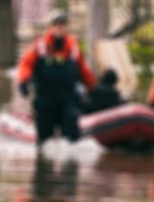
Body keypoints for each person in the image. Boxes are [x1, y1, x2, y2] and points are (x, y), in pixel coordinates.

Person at [16, 10, 96, 145]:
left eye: (63, 24)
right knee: (44, 140)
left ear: (67, 27)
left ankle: (71, 162)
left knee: (72, 134)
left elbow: (83, 70)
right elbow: (26, 64)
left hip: (67, 99)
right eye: (56, 24)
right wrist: (23, 81)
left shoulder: (73, 47)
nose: (60, 27)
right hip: (45, 99)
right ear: (51, 27)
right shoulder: (40, 45)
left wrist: (93, 88)